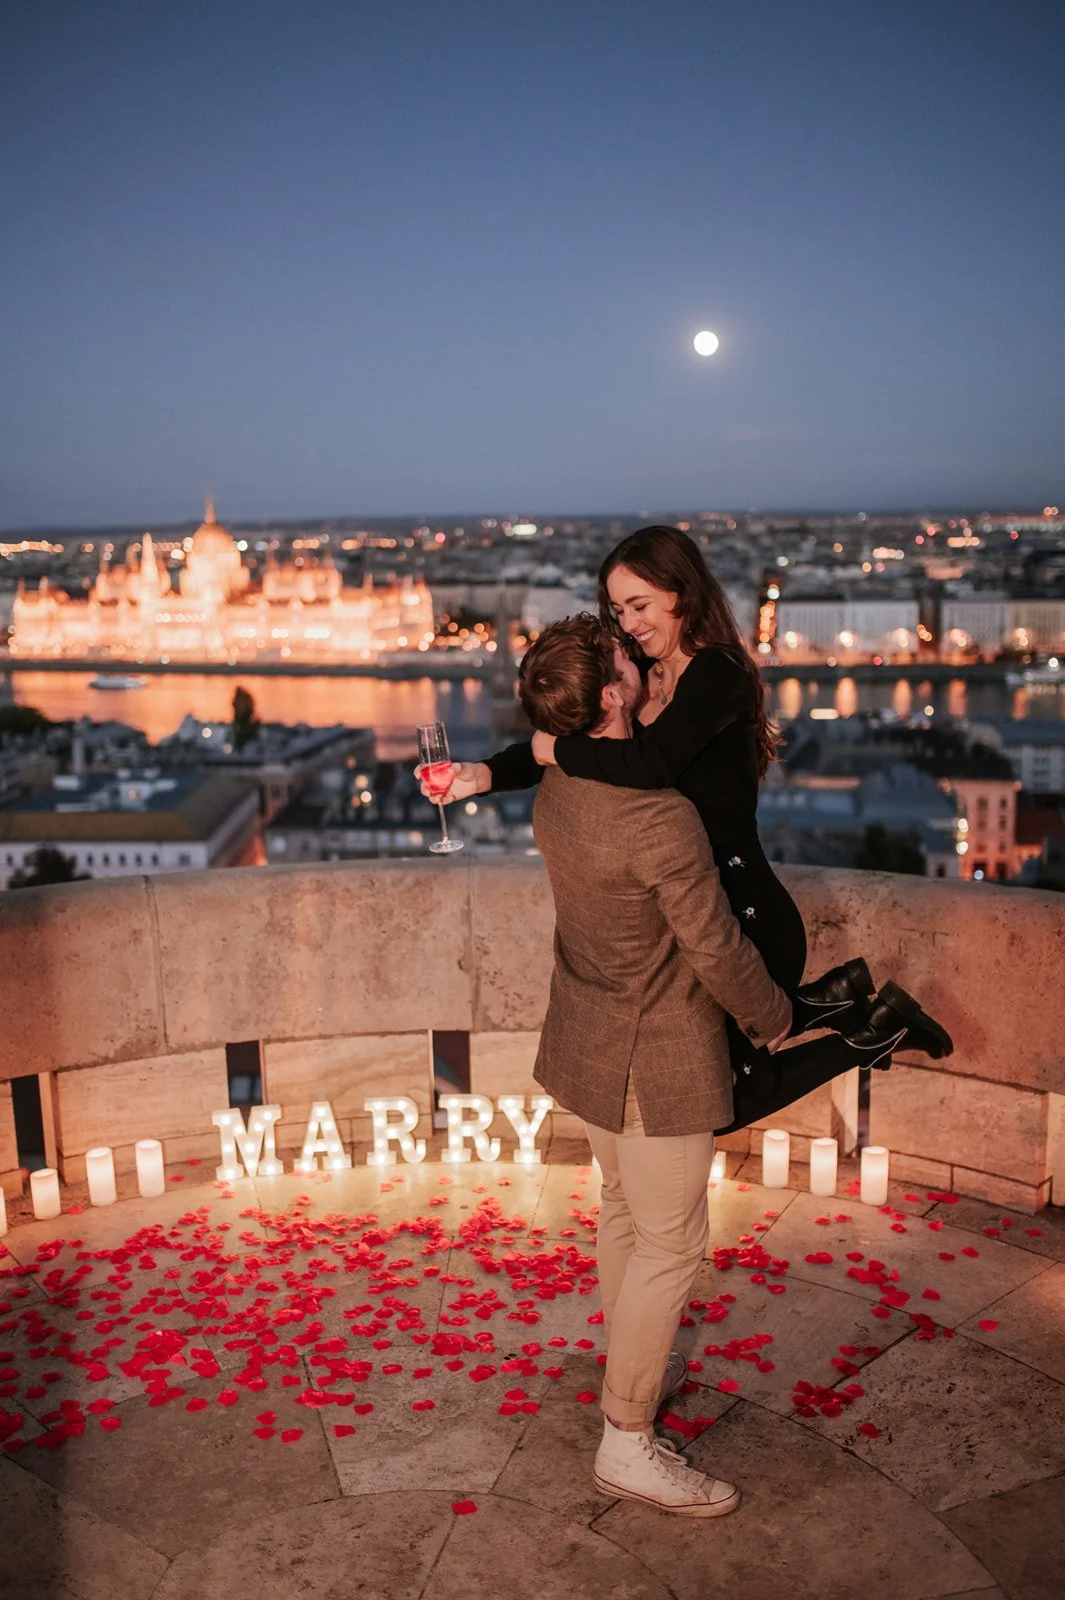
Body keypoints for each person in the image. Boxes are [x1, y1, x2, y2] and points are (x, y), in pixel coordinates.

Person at [425, 526, 952, 1125]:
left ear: (683, 591)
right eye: (618, 609)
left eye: (640, 605)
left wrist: (552, 751)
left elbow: (646, 765)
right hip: (689, 923)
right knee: (702, 1084)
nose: (627, 624)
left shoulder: (716, 674)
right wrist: (482, 775)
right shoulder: (639, 669)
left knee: (720, 1101)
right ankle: (837, 999)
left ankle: (872, 1032)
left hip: (744, 916)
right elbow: (583, 736)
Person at [516, 614, 793, 1516]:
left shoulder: (555, 791)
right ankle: (626, 1440)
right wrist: (773, 1017)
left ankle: (631, 1373)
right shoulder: (658, 817)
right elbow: (714, 947)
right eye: (625, 662)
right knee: (673, 1246)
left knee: (624, 1214)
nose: (639, 659)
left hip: (588, 1037)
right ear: (610, 699)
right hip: (657, 1054)